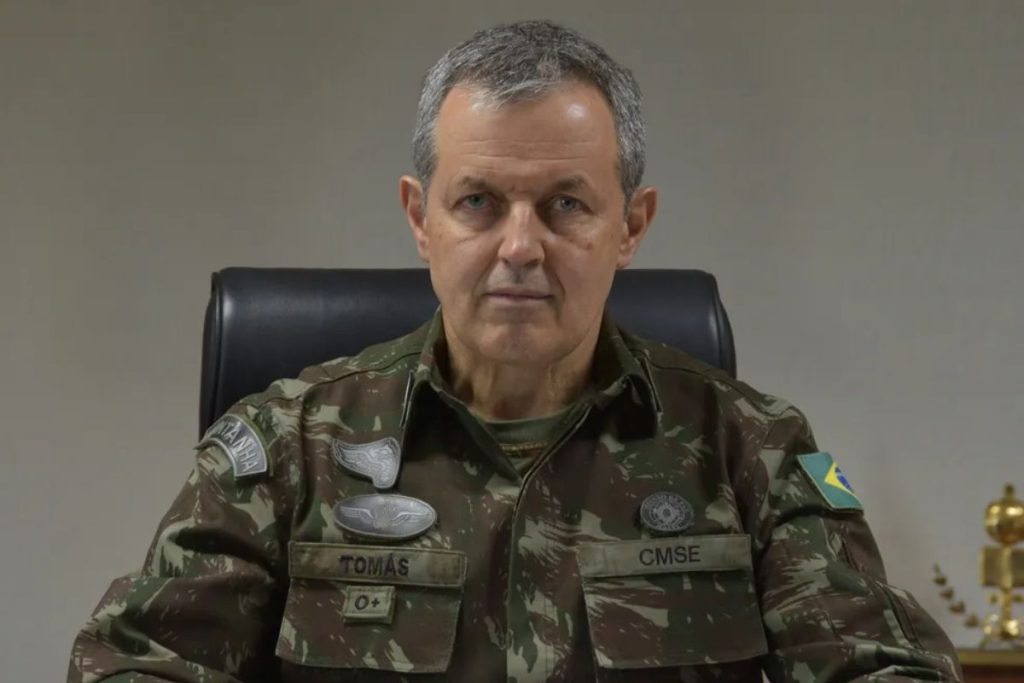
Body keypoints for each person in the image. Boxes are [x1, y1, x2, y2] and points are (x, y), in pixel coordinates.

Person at [68, 19, 962, 683]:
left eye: (566, 204)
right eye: (479, 203)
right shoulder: (287, 446)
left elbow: (883, 664)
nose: (521, 246)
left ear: (631, 225)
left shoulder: (750, 449)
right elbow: (134, 662)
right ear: (421, 218)